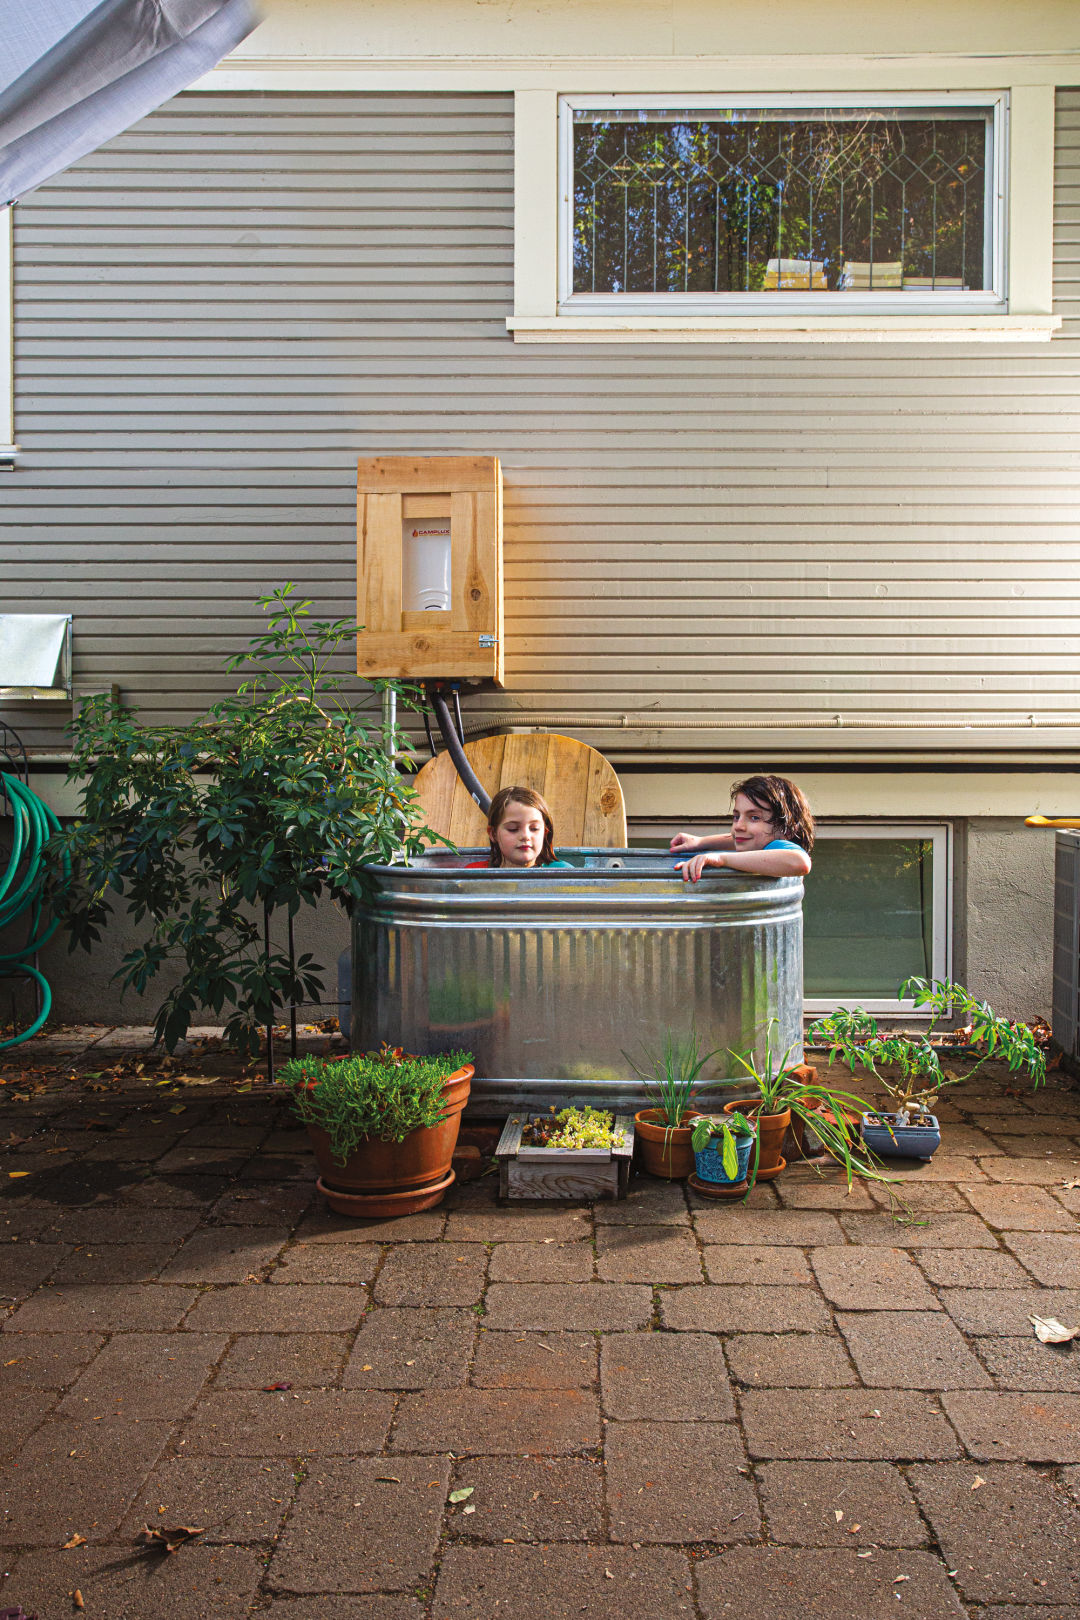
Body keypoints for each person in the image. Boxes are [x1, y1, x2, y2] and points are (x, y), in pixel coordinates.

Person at [670, 774, 814, 881]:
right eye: (736, 817)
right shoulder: (762, 841)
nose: (738, 826)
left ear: (787, 831)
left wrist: (721, 859)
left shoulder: (778, 845)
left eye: (754, 818)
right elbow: (735, 840)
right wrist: (701, 842)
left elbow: (800, 862)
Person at [465, 786, 573, 869]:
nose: (525, 836)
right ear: (493, 834)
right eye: (513, 829)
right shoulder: (473, 874)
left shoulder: (563, 873)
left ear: (545, 832)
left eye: (534, 828)